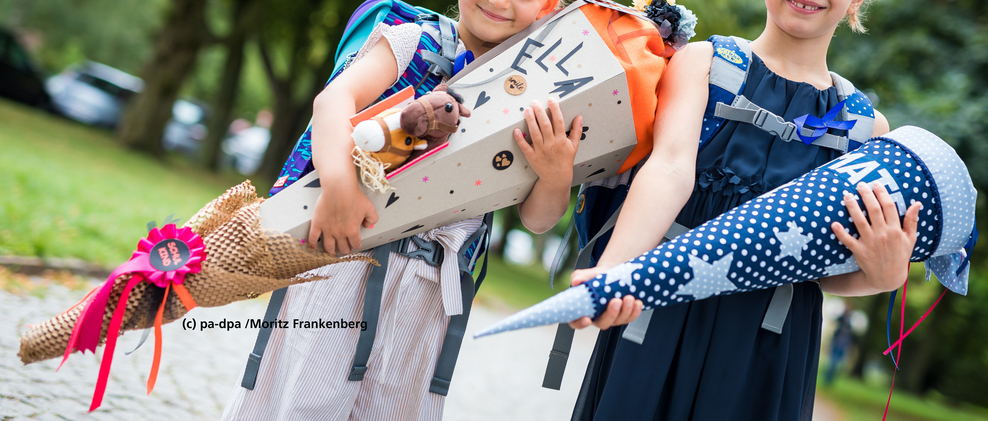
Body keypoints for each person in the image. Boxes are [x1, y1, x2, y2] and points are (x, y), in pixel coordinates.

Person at [221, 0, 578, 419]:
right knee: (301, 402)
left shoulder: (539, 86)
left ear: (549, 5)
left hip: (430, 293)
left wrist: (557, 176)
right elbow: (334, 100)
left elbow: (537, 220)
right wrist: (338, 188)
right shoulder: (415, 39)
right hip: (347, 257)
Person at [565, 0, 921, 419]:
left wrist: (883, 277)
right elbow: (669, 169)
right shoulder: (705, 62)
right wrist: (613, 269)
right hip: (663, 310)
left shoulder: (866, 127)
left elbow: (824, 270)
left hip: (770, 345)